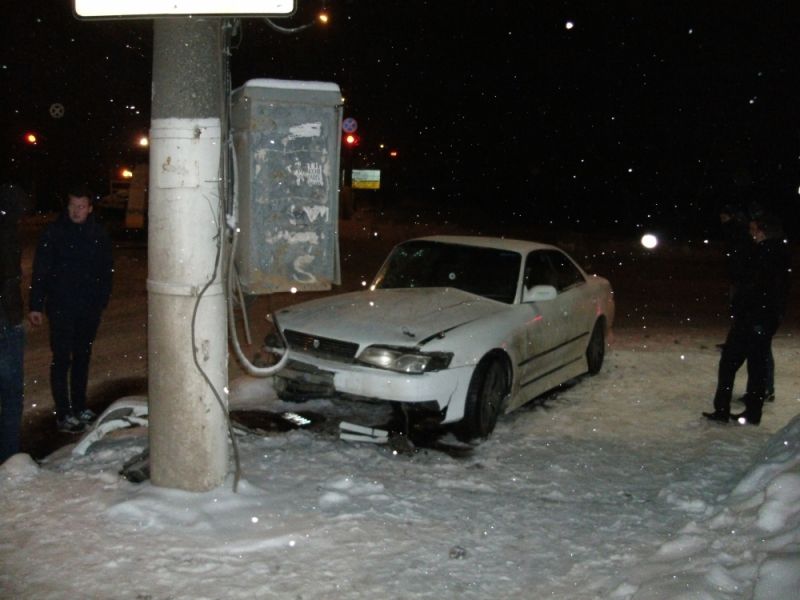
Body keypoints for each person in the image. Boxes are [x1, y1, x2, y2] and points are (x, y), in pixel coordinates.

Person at [28, 187, 113, 433]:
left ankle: (79, 406)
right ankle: (64, 412)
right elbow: (41, 269)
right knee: (62, 359)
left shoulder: (98, 234)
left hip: (88, 308)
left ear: (90, 208)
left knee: (83, 357)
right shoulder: (54, 232)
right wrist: (36, 304)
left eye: (81, 206)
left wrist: (101, 300)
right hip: (61, 307)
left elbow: (106, 270)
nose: (76, 211)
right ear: (67, 207)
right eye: (73, 206)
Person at [703, 212, 791, 425]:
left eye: (754, 230)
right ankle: (751, 412)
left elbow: (752, 282)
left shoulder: (766, 254)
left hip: (754, 318)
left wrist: (750, 313)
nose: (751, 234)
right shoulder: (775, 252)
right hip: (760, 318)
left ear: (762, 232)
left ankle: (727, 410)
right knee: (755, 366)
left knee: (734, 364)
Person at [1, 183, 27, 462]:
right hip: (6, 321)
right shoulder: (7, 233)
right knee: (10, 393)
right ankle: (8, 456)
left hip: (8, 317)